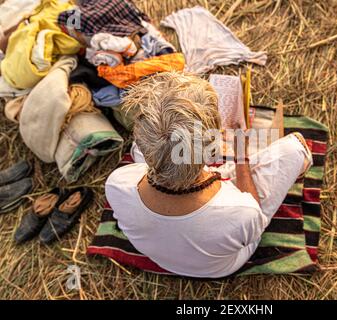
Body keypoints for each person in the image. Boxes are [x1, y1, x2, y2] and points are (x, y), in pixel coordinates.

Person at [105, 72, 312, 278]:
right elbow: (253, 210)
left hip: (161, 253)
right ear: (214, 149)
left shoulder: (117, 184)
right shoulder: (242, 212)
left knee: (163, 147)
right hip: (218, 267)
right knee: (296, 149)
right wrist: (241, 158)